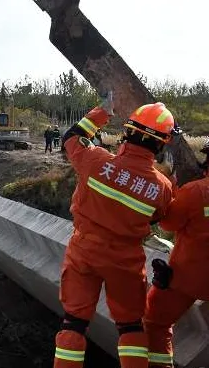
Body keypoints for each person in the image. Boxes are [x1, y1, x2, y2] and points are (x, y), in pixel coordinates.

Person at [53, 98, 175, 368]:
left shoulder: (95, 160)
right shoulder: (162, 187)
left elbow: (72, 137)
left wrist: (102, 113)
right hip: (125, 261)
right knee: (131, 325)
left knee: (73, 323)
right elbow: (159, 218)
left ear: (127, 132)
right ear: (161, 144)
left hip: (83, 252)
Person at [143, 141, 209, 367]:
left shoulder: (196, 191)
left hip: (188, 278)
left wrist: (168, 182)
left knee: (155, 322)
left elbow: (168, 224)